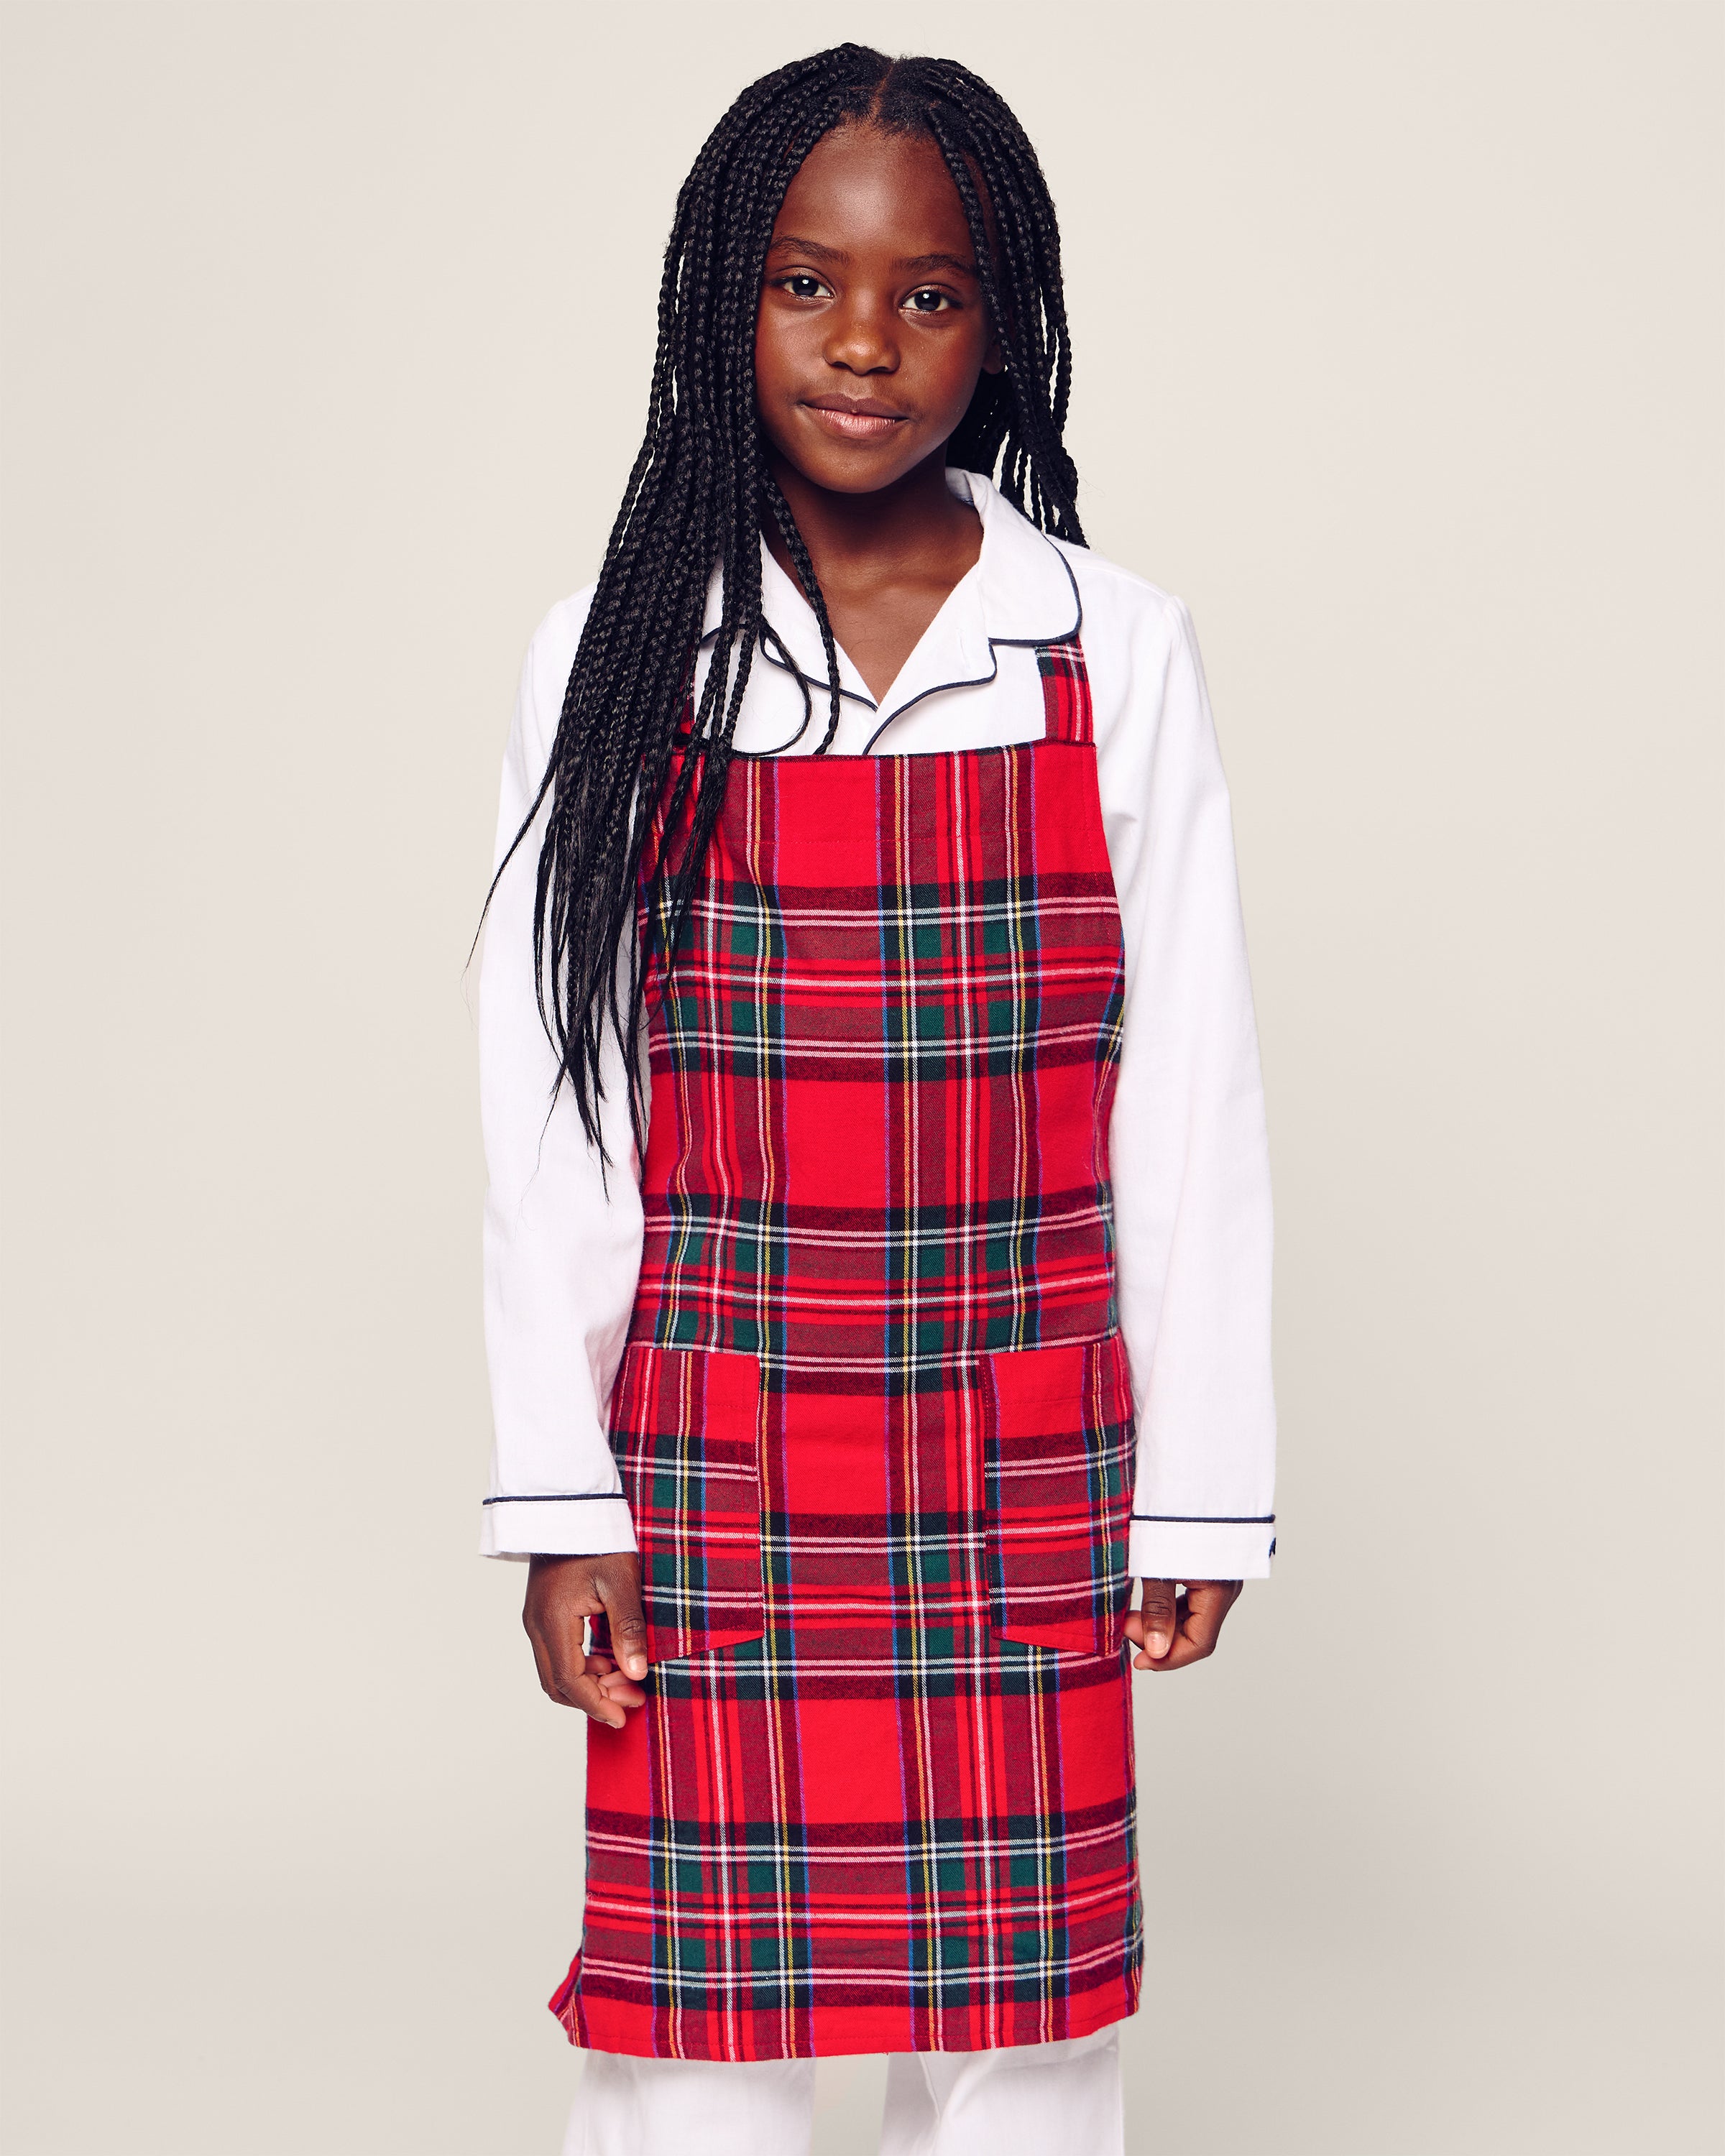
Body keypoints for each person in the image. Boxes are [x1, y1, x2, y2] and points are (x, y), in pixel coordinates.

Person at [476, 45, 1276, 2156]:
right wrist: (562, 1507)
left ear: (1002, 323)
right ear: (716, 307)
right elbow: (553, 1107)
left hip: (1018, 1453)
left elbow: (1189, 1092)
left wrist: (1197, 1485)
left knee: (1026, 2023)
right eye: (807, 283)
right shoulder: (623, 656)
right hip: (716, 1459)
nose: (863, 342)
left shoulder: (1110, 649)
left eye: (929, 293)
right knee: (689, 2044)